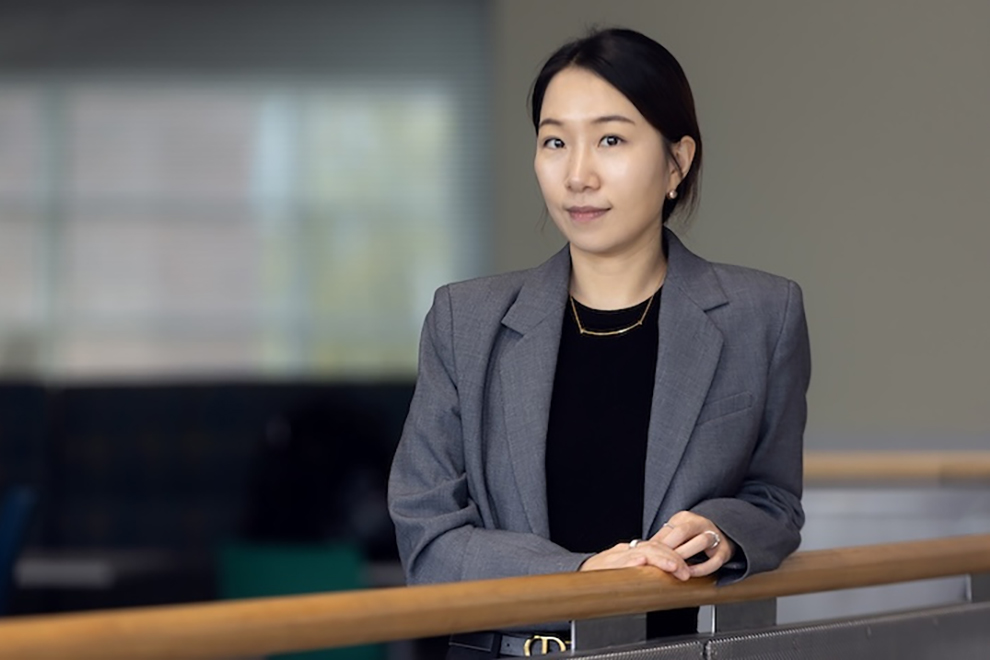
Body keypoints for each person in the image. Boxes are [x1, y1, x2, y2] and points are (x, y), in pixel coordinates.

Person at [387, 27, 811, 658]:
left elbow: (774, 500)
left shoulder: (762, 314)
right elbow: (428, 539)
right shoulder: (464, 320)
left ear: (677, 162)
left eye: (611, 140)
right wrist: (582, 577)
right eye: (555, 141)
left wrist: (721, 531)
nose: (578, 175)